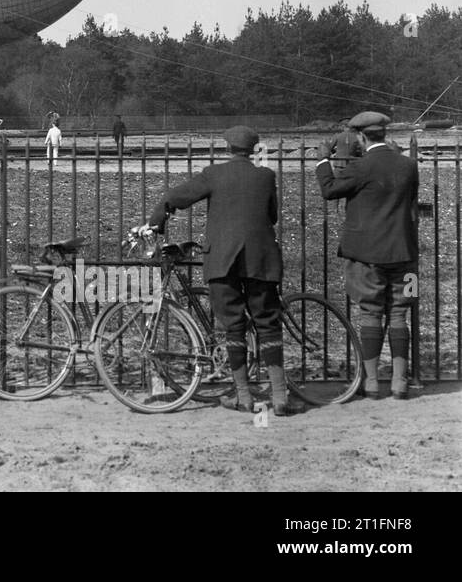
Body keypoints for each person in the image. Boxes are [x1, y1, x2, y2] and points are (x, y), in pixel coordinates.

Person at [144, 126, 297, 414]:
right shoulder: (266, 176)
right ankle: (279, 397)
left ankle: (244, 396)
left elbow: (177, 197)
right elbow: (272, 216)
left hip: (223, 260)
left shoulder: (214, 174)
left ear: (227, 148)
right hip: (260, 259)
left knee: (233, 327)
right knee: (267, 323)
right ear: (253, 150)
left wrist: (158, 219)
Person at [315, 111, 419, 400]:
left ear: (361, 136)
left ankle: (371, 382)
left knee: (370, 312)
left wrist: (323, 160)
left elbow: (329, 190)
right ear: (384, 133)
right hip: (407, 257)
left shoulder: (360, 168)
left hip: (366, 257)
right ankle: (400, 382)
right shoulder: (409, 165)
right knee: (401, 313)